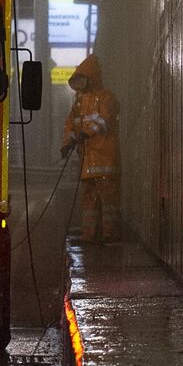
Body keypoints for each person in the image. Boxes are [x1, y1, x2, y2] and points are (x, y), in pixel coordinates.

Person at [60, 55, 122, 243]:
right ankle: (90, 234)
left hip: (105, 158)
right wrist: (66, 144)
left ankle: (109, 234)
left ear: (91, 77)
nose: (79, 83)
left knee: (108, 200)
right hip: (87, 160)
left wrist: (86, 133)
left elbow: (104, 120)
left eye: (82, 78)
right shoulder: (79, 102)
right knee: (88, 200)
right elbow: (70, 125)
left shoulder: (106, 98)